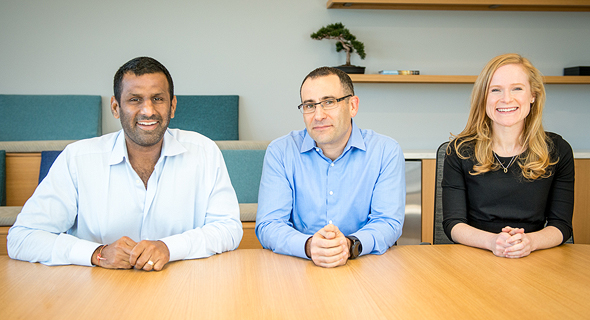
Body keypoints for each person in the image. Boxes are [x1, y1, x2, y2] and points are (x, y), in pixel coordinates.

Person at [7, 57, 242, 270]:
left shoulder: (204, 152)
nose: (148, 111)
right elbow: (22, 238)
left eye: (158, 99)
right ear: (116, 107)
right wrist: (96, 253)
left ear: (172, 106)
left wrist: (169, 247)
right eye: (134, 100)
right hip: (96, 296)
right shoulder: (77, 158)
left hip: (182, 291)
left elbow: (229, 229)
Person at [256, 66, 405, 268]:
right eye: (309, 105)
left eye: (329, 102)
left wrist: (348, 245)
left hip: (364, 267)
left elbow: (388, 222)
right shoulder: (280, 152)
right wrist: (309, 246)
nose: (318, 115)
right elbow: (269, 224)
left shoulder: (385, 151)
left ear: (353, 106)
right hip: (299, 268)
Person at [442, 53, 574, 258]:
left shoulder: (557, 150)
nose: (506, 99)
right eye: (495, 90)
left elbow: (561, 226)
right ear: (483, 97)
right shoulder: (459, 150)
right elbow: (453, 224)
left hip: (536, 256)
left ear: (533, 95)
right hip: (476, 255)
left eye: (517, 88)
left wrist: (530, 242)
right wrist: (493, 241)